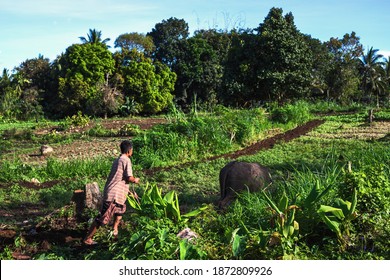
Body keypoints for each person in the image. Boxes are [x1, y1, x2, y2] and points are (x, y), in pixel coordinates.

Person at [83, 140, 140, 245]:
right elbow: (129, 177)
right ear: (129, 150)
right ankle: (87, 239)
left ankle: (114, 233)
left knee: (119, 213)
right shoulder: (126, 160)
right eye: (132, 150)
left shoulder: (118, 160)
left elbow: (121, 179)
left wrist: (130, 192)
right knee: (102, 218)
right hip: (113, 195)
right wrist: (135, 180)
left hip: (117, 193)